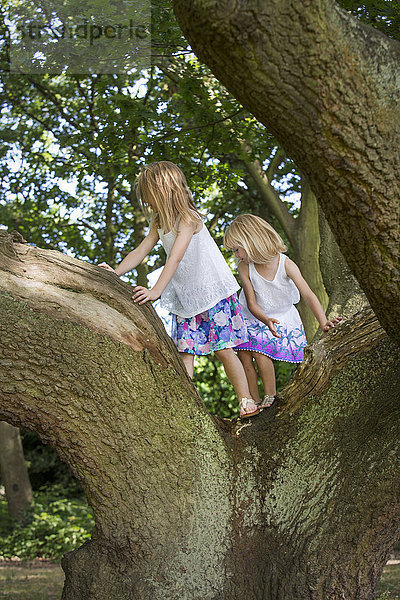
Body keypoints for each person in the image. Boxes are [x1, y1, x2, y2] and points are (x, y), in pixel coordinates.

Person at [99, 162, 260, 418]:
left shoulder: (188, 218)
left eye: (148, 195)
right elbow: (141, 251)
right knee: (185, 351)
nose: (146, 201)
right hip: (187, 297)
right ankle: (184, 404)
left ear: (162, 190)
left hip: (212, 291)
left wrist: (155, 291)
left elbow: (174, 257)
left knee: (223, 349)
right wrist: (116, 272)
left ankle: (245, 399)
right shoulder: (158, 221)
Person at [224, 214, 342, 409]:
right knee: (246, 355)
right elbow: (252, 304)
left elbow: (308, 294)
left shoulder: (286, 264)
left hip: (281, 315)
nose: (236, 255)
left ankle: (270, 396)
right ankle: (253, 401)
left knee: (261, 353)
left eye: (237, 249)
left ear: (251, 241)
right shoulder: (245, 268)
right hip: (252, 315)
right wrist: (265, 320)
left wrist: (323, 322)